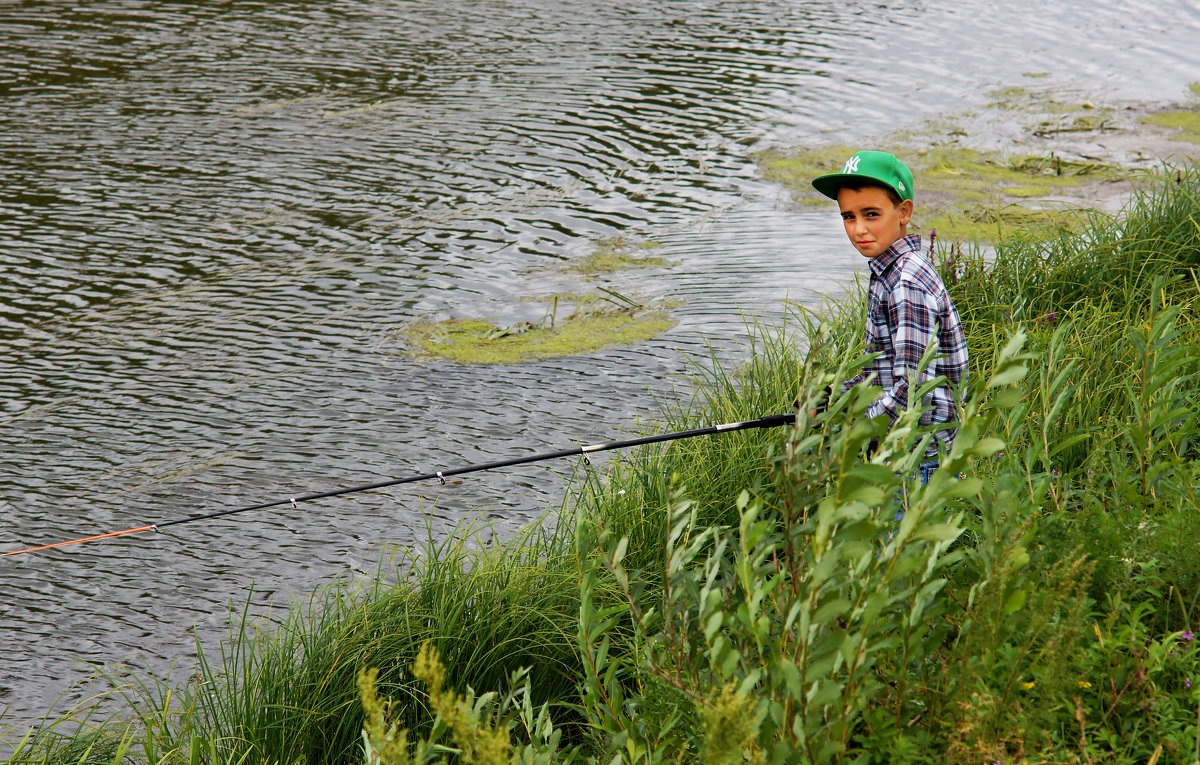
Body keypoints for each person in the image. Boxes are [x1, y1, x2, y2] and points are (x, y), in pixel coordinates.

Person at [810, 150, 969, 488]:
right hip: (907, 444)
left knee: (896, 541)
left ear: (904, 212)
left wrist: (856, 433)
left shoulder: (906, 283)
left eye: (871, 214)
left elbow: (912, 391)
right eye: (848, 217)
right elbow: (881, 371)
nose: (859, 229)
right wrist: (831, 398)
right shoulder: (889, 271)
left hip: (919, 453)